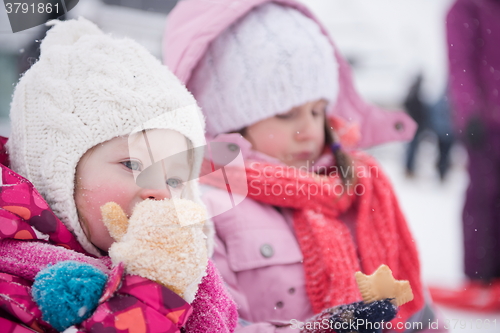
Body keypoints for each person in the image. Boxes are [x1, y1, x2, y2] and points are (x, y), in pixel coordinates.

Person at [163, 0, 446, 331]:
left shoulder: (357, 187)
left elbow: (415, 309)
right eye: (286, 114)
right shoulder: (204, 207)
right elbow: (216, 325)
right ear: (227, 119)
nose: (309, 131)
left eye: (317, 111)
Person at [0, 18, 237, 332]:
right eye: (133, 165)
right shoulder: (12, 286)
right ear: (55, 179)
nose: (161, 193)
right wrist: (154, 291)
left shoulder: (191, 279)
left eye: (175, 181)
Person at [428, 0, 500, 311]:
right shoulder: (466, 8)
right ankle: (481, 275)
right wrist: (469, 110)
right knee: (485, 196)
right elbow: (462, 63)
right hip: (487, 123)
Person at [404, 74, 454, 181]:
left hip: (436, 129)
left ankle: (411, 169)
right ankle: (441, 173)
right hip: (444, 130)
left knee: (441, 153)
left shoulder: (414, 95)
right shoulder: (445, 99)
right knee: (443, 154)